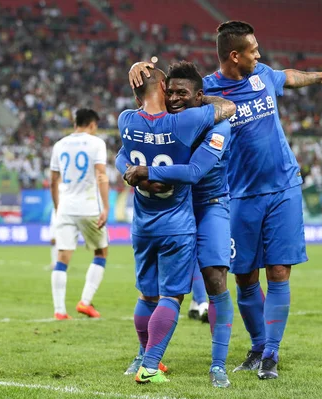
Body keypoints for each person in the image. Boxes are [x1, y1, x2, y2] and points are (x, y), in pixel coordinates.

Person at [129, 19, 322, 380]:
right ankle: (258, 345)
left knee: (278, 271)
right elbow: (166, 96)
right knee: (245, 278)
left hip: (283, 186)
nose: (259, 55)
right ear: (234, 55)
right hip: (239, 194)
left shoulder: (261, 74)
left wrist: (321, 75)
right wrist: (140, 68)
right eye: (253, 50)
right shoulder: (205, 90)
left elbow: (288, 76)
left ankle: (271, 354)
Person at [118, 61, 235, 388]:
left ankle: (218, 364)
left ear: (200, 95)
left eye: (182, 93)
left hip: (208, 206)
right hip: (176, 210)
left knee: (215, 281)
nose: (174, 98)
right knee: (163, 294)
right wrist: (129, 168)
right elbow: (122, 152)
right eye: (169, 92)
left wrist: (145, 173)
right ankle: (146, 357)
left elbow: (195, 172)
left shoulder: (217, 127)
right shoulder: (177, 121)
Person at [49, 108, 110, 320]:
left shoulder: (60, 145)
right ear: (92, 124)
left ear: (76, 123)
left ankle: (59, 310)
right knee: (101, 252)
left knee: (62, 258)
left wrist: (58, 208)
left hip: (65, 207)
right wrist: (106, 208)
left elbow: (53, 181)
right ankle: (85, 302)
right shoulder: (96, 143)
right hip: (88, 207)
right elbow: (101, 175)